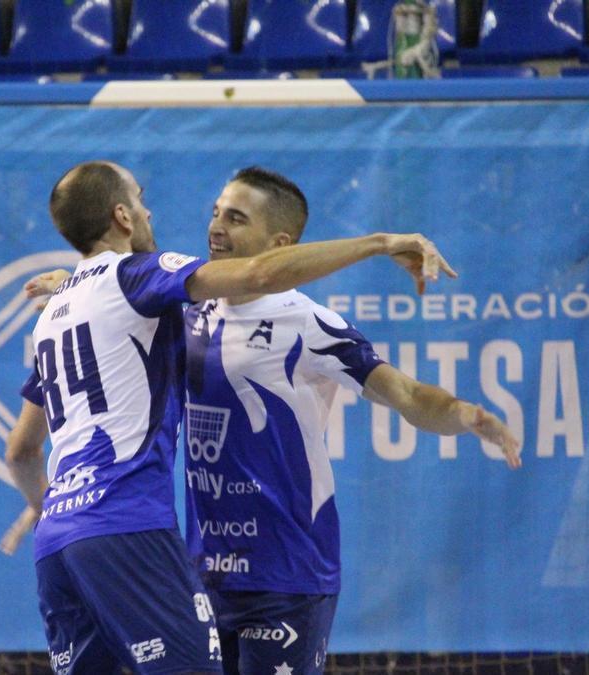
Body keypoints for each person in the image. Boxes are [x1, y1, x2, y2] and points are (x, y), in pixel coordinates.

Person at [4, 160, 456, 675]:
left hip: (56, 541)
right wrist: (379, 243)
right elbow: (259, 273)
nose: (155, 212)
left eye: (233, 217)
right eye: (143, 199)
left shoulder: (56, 313)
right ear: (124, 216)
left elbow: (20, 451)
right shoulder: (139, 279)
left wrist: (48, 505)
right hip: (127, 524)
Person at [182, 167, 519, 674]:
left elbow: (407, 394)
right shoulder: (185, 308)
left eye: (235, 218)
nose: (216, 227)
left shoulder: (310, 324)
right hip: (203, 570)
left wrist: (464, 415)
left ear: (281, 242)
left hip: (287, 571)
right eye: (215, 213)